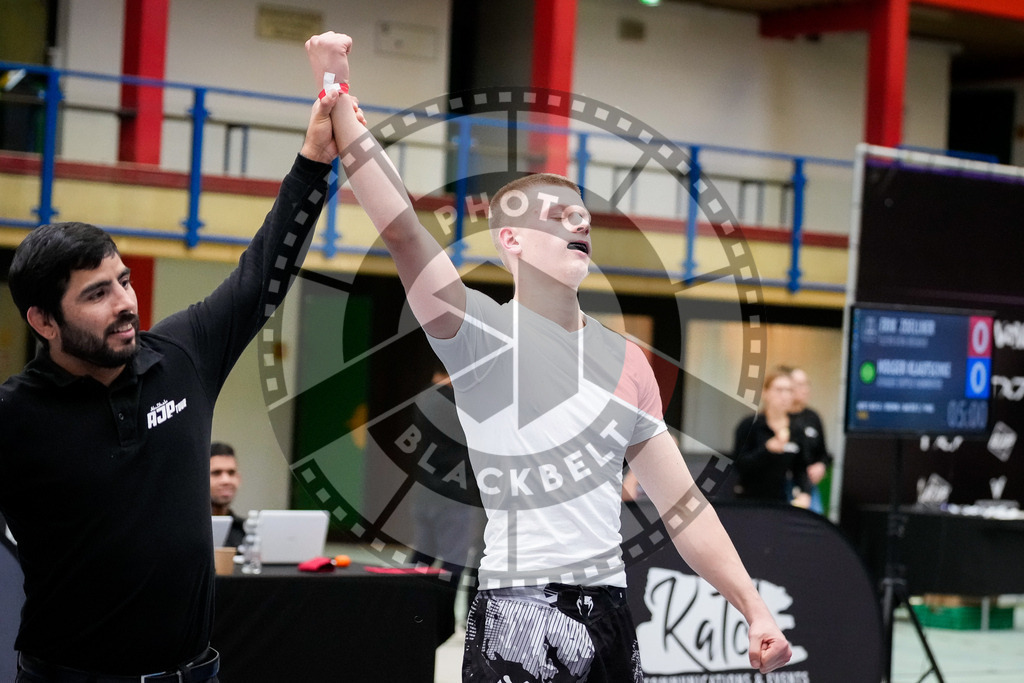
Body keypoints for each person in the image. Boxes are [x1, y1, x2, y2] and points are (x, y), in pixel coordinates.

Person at [305, 32, 792, 681]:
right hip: (520, 607)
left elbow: (685, 508)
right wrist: (339, 98)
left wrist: (754, 608)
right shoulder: (478, 332)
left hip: (612, 609)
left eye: (584, 216)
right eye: (559, 214)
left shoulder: (629, 361)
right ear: (511, 239)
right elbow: (401, 229)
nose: (579, 223)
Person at [0, 74, 354, 680]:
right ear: (43, 320)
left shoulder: (182, 354)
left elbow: (262, 273)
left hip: (194, 673)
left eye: (124, 281)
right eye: (97, 294)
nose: (124, 303)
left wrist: (315, 162)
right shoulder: (15, 416)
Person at [732, 368, 813, 508]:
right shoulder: (750, 425)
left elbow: (800, 469)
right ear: (765, 393)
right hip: (748, 501)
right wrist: (767, 450)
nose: (784, 396)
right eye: (779, 390)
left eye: (789, 390)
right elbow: (739, 465)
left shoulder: (797, 430)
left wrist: (805, 492)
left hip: (780, 501)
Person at [787, 366, 832, 514]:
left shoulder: (813, 417)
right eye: (800, 384)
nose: (805, 389)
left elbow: (824, 454)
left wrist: (821, 465)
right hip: (782, 483)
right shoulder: (778, 417)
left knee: (815, 520)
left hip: (808, 483)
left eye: (807, 384)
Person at [210, 442, 245, 547]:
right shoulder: (186, 530)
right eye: (216, 473)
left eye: (231, 473)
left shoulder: (246, 532)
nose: (226, 480)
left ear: (239, 479)